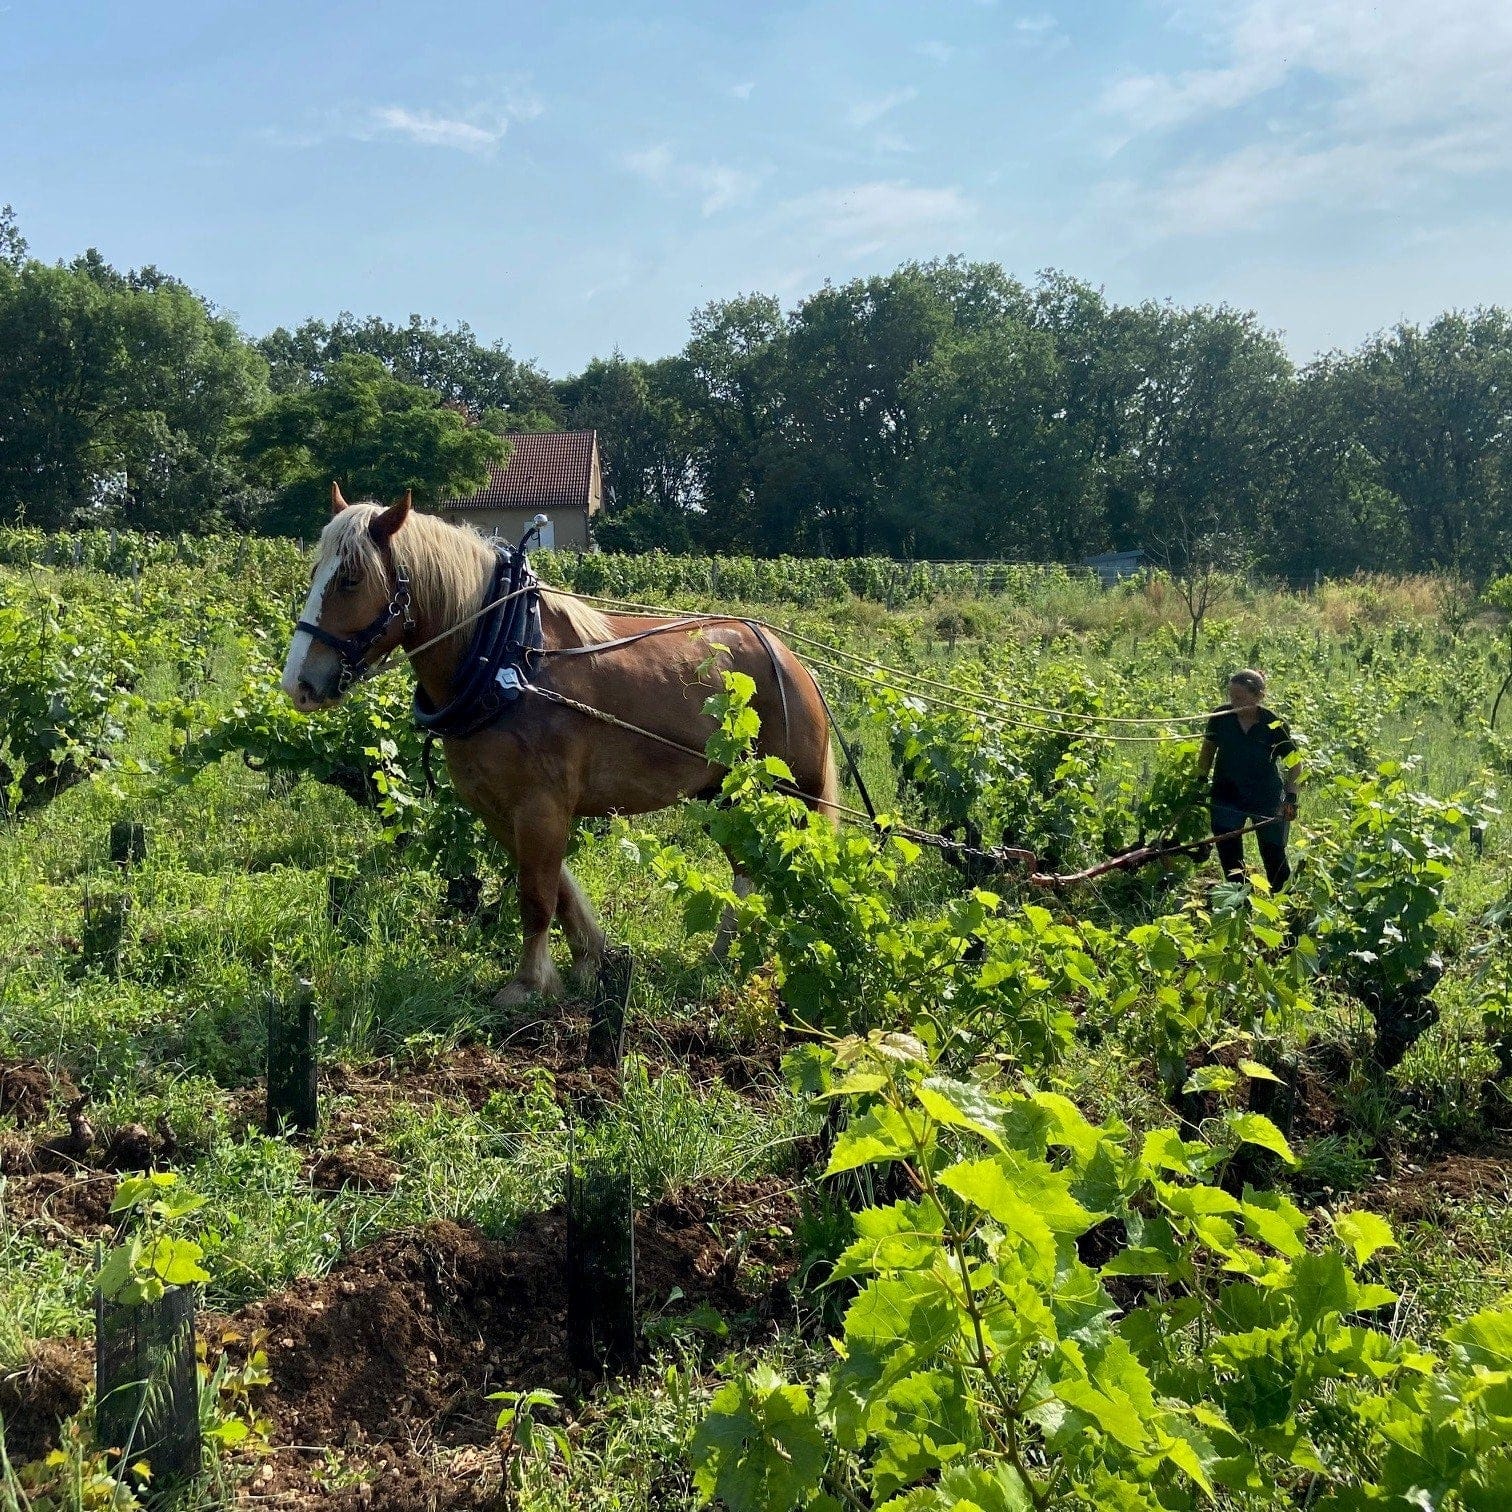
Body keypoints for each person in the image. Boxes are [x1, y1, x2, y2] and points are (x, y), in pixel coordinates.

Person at [1196, 669, 1300, 891]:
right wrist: (1199, 782)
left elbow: (1295, 764)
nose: (1234, 703)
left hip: (1266, 796)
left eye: (1240, 698)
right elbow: (1206, 755)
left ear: (1259, 696)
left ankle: (1286, 906)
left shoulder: (1274, 724)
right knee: (1230, 855)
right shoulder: (1220, 718)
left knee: (1274, 853)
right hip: (1226, 794)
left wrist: (1290, 798)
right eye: (1231, 697)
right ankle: (1240, 903)